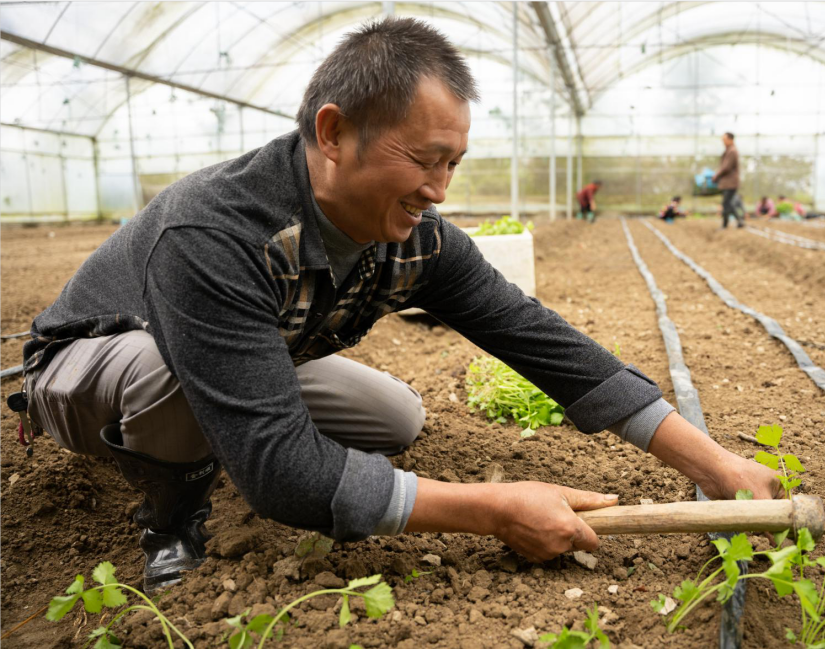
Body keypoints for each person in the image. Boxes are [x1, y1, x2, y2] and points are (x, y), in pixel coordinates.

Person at [17, 17, 779, 593]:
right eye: (422, 159)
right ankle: (171, 516)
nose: (439, 188)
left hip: (229, 357)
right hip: (95, 362)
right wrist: (489, 507)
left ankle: (229, 426)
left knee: (393, 418)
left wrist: (709, 461)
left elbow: (535, 335)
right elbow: (283, 478)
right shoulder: (212, 233)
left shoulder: (417, 238)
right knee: (174, 374)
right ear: (333, 132)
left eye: (452, 162)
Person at [713, 132, 743, 228]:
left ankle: (725, 225)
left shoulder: (732, 151)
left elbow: (726, 167)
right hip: (728, 183)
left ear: (730, 139)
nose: (723, 142)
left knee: (726, 203)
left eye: (724, 140)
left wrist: (716, 175)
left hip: (730, 183)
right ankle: (739, 221)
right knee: (728, 203)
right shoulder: (729, 150)